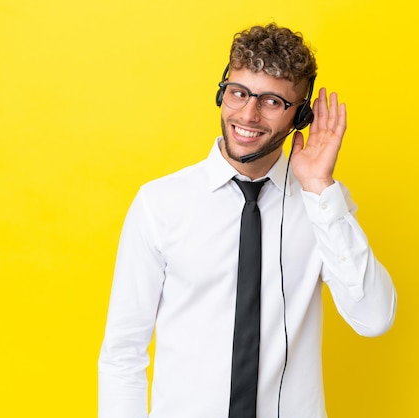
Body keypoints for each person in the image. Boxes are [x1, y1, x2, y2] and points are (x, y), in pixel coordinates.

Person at [98, 23, 397, 418]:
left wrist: (320, 189)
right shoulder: (160, 204)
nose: (249, 115)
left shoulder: (323, 205)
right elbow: (123, 352)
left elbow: (374, 318)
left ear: (300, 117)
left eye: (273, 101)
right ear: (222, 94)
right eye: (239, 93)